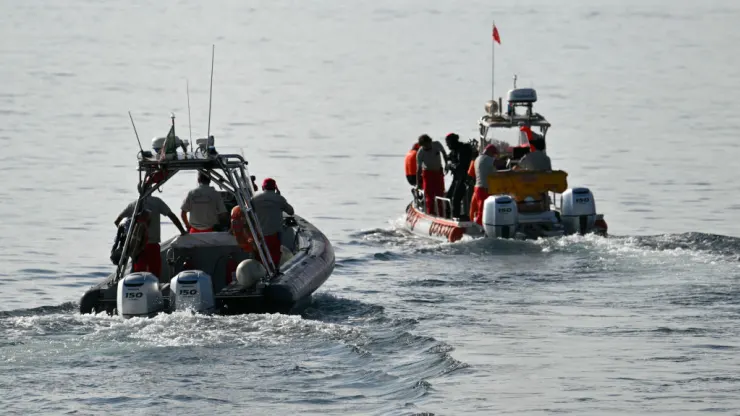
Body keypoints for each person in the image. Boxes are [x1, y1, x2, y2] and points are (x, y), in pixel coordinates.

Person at [114, 195, 187, 278]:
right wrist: (182, 231)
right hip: (152, 246)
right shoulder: (157, 202)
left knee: (138, 276)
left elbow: (117, 222)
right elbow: (172, 216)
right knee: (154, 276)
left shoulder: (134, 204)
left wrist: (130, 235)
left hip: (137, 248)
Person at [252, 178, 294, 268]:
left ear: (263, 187)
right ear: (275, 188)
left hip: (259, 234)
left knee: (260, 255)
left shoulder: (255, 199)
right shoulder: (279, 199)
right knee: (274, 255)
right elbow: (291, 211)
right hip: (275, 234)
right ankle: (274, 271)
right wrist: (279, 197)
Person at [415, 134, 448, 215]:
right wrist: (418, 183)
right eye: (424, 145)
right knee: (429, 195)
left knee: (440, 193)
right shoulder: (420, 153)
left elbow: (444, 153)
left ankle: (441, 213)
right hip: (427, 174)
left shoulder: (437, 144)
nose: (427, 147)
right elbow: (418, 169)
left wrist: (446, 165)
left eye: (428, 144)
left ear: (430, 141)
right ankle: (431, 213)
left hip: (438, 172)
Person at [444, 133, 474, 220]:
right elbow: (449, 157)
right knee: (449, 197)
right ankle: (448, 216)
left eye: (448, 143)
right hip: (457, 178)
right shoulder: (454, 150)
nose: (447, 145)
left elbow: (462, 165)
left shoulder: (462, 150)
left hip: (464, 178)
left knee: (456, 198)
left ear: (453, 142)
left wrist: (450, 166)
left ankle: (456, 216)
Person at [469, 144, 498, 226]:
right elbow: (498, 163)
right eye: (493, 154)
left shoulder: (478, 158)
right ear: (489, 152)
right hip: (484, 189)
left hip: (477, 188)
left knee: (478, 209)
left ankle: (477, 224)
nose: (493, 156)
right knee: (482, 210)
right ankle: (479, 228)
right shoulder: (487, 158)